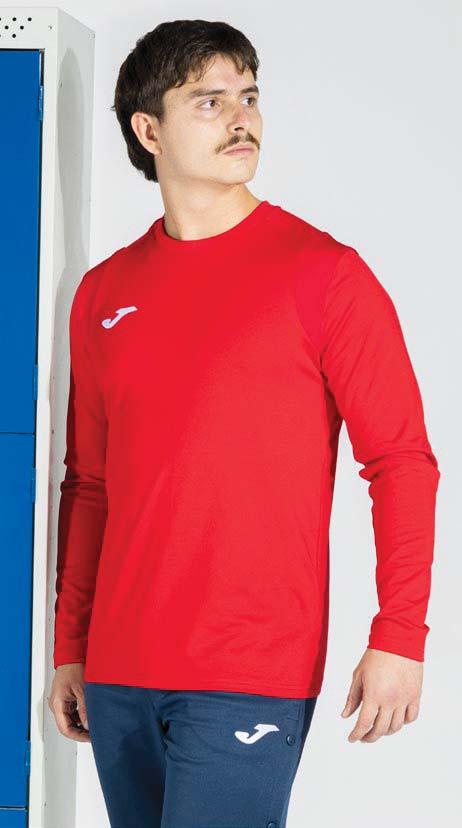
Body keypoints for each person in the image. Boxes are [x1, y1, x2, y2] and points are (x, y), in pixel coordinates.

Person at [48, 18, 441, 828]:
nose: (242, 118)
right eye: (210, 100)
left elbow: (402, 461)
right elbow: (89, 485)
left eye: (250, 97)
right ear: (148, 130)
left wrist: (400, 633)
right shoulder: (104, 293)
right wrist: (71, 647)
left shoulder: (325, 276)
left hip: (247, 669)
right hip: (119, 672)